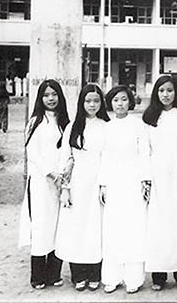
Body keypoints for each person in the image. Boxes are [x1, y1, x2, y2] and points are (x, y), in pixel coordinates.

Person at [141, 75, 177, 291]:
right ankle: (159, 275)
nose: (165, 94)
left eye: (170, 90)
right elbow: (144, 150)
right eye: (162, 90)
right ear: (156, 93)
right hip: (157, 177)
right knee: (158, 226)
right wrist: (146, 178)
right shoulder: (149, 118)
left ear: (176, 93)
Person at [55, 83, 109, 292]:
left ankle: (95, 274)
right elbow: (65, 158)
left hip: (98, 183)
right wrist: (65, 188)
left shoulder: (106, 126)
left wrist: (104, 184)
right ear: (81, 103)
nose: (92, 105)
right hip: (77, 184)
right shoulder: (72, 127)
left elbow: (110, 158)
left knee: (96, 228)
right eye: (88, 101)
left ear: (101, 103)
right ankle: (78, 274)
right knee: (76, 228)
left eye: (96, 101)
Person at [18, 79, 69, 290]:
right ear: (40, 98)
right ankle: (37, 276)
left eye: (54, 94)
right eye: (46, 95)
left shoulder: (65, 122)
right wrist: (50, 173)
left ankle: (54, 274)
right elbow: (33, 153)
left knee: (59, 226)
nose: (51, 99)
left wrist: (64, 173)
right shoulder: (35, 122)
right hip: (41, 183)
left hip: (61, 183)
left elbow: (69, 150)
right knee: (41, 226)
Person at [98, 85, 147, 294]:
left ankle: (134, 278)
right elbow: (104, 156)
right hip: (114, 182)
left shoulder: (138, 125)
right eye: (116, 100)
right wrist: (103, 184)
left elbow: (144, 153)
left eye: (124, 99)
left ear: (130, 102)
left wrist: (145, 180)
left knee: (134, 228)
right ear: (110, 103)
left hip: (133, 181)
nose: (120, 104)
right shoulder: (107, 127)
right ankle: (112, 277)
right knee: (113, 228)